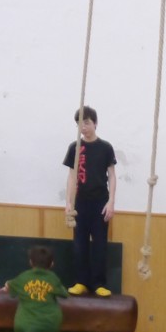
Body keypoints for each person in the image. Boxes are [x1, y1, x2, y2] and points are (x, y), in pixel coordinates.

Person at [62, 105, 117, 296]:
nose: (83, 127)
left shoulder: (106, 148)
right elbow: (71, 176)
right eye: (79, 124)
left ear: (95, 123)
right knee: (79, 244)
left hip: (100, 202)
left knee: (100, 245)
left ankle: (99, 284)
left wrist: (111, 202)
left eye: (86, 123)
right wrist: (68, 203)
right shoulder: (75, 148)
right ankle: (81, 282)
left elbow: (112, 176)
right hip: (80, 203)